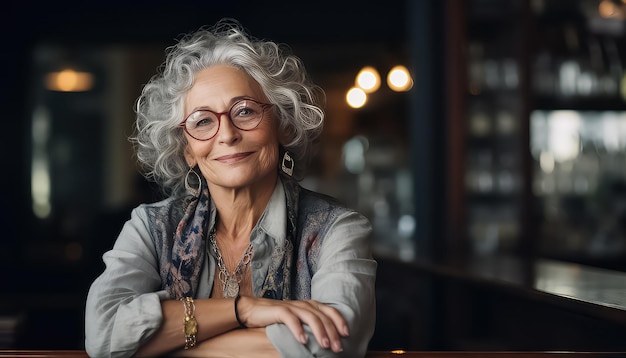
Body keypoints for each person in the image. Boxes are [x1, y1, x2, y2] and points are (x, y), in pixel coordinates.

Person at [84, 19, 377, 358]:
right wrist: (242, 310)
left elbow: (332, 346)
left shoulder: (336, 229)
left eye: (245, 111)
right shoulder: (151, 228)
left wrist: (167, 345)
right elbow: (104, 336)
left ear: (282, 125)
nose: (226, 134)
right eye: (203, 120)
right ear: (187, 150)